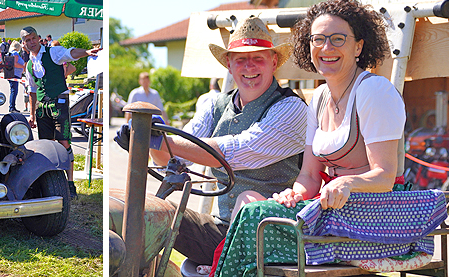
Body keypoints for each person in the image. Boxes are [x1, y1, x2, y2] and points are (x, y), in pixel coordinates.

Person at [213, 1, 437, 275]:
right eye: (318, 39)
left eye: (338, 39)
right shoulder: (318, 98)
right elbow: (309, 174)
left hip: (373, 217)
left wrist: (347, 183)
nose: (326, 48)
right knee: (254, 205)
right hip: (334, 212)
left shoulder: (374, 91)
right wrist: (293, 194)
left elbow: (384, 176)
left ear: (358, 47)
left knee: (255, 218)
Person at [114, 16, 307, 267]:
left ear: (273, 61)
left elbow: (236, 152)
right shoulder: (216, 105)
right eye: (241, 59)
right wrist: (150, 140)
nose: (249, 67)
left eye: (258, 57)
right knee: (138, 214)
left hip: (274, 234)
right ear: (229, 64)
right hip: (222, 229)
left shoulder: (290, 109)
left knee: (248, 201)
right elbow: (169, 159)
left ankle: (225, 267)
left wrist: (155, 139)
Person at [21, 26, 101, 197]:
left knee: (64, 143)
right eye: (27, 40)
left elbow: (70, 53)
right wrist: (32, 115)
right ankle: (49, 183)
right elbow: (32, 90)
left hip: (59, 103)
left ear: (38, 38)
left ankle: (70, 183)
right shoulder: (28, 65)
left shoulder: (53, 52)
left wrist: (87, 51)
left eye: (33, 38)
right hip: (42, 107)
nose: (31, 42)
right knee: (46, 145)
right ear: (24, 43)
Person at [1, 41, 26, 113]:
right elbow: (15, 64)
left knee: (13, 90)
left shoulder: (10, 53)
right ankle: (12, 107)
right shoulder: (15, 53)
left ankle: (12, 107)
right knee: (14, 91)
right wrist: (23, 66)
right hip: (14, 74)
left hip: (11, 74)